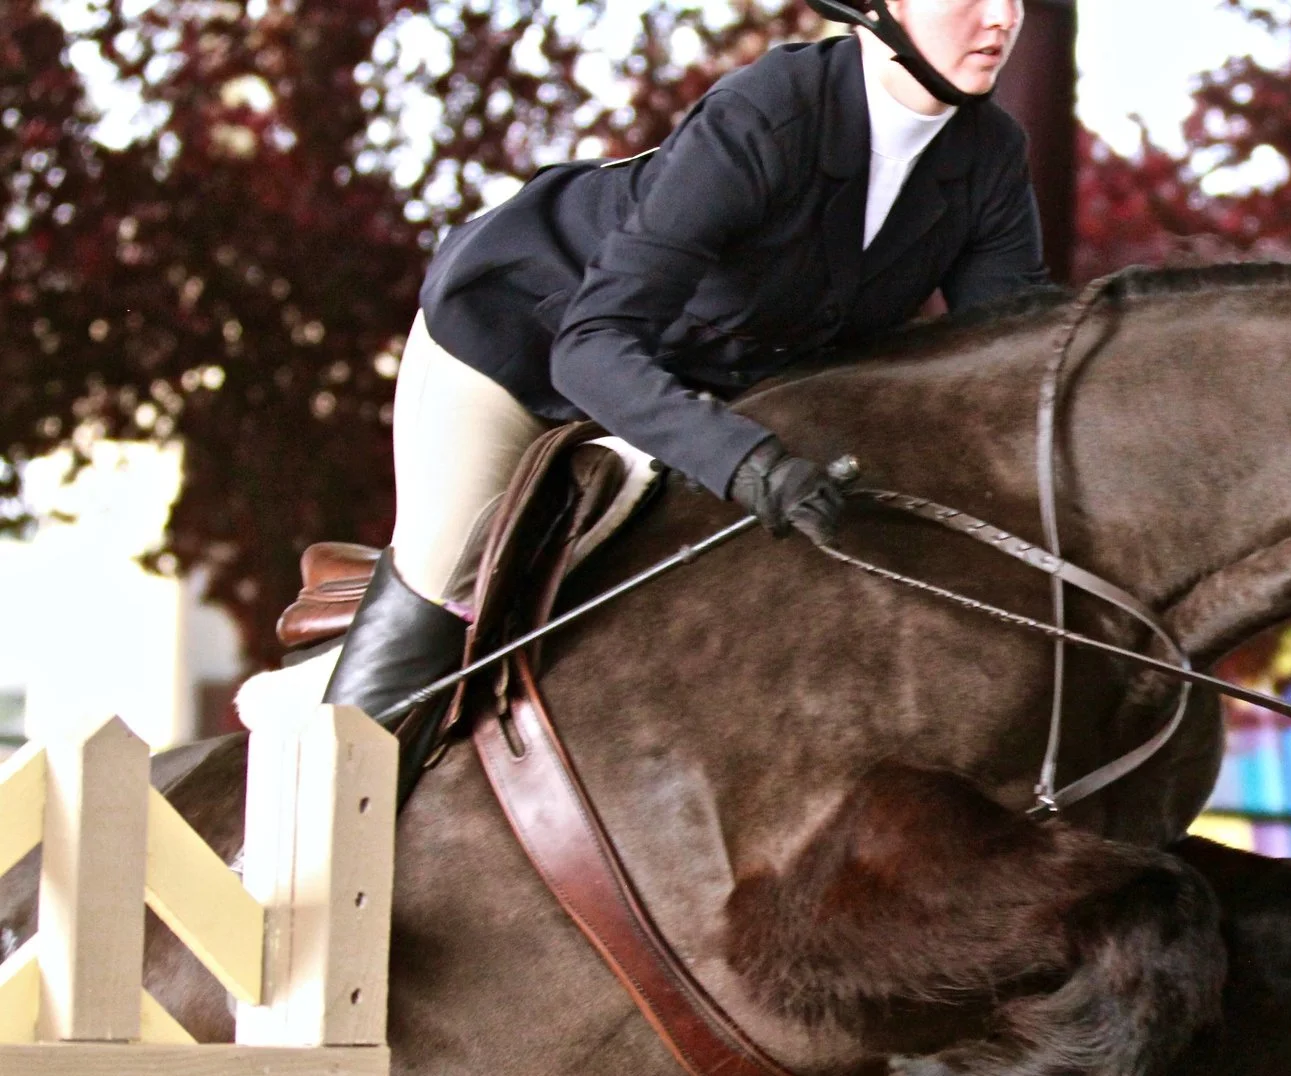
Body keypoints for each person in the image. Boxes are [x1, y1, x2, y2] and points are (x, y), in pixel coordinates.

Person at [252, 0, 1048, 729]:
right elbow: (590, 346)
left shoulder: (988, 159)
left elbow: (997, 372)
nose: (1002, 18)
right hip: (521, 344)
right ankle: (311, 814)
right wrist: (751, 464)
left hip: (685, 386)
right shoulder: (769, 116)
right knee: (447, 578)